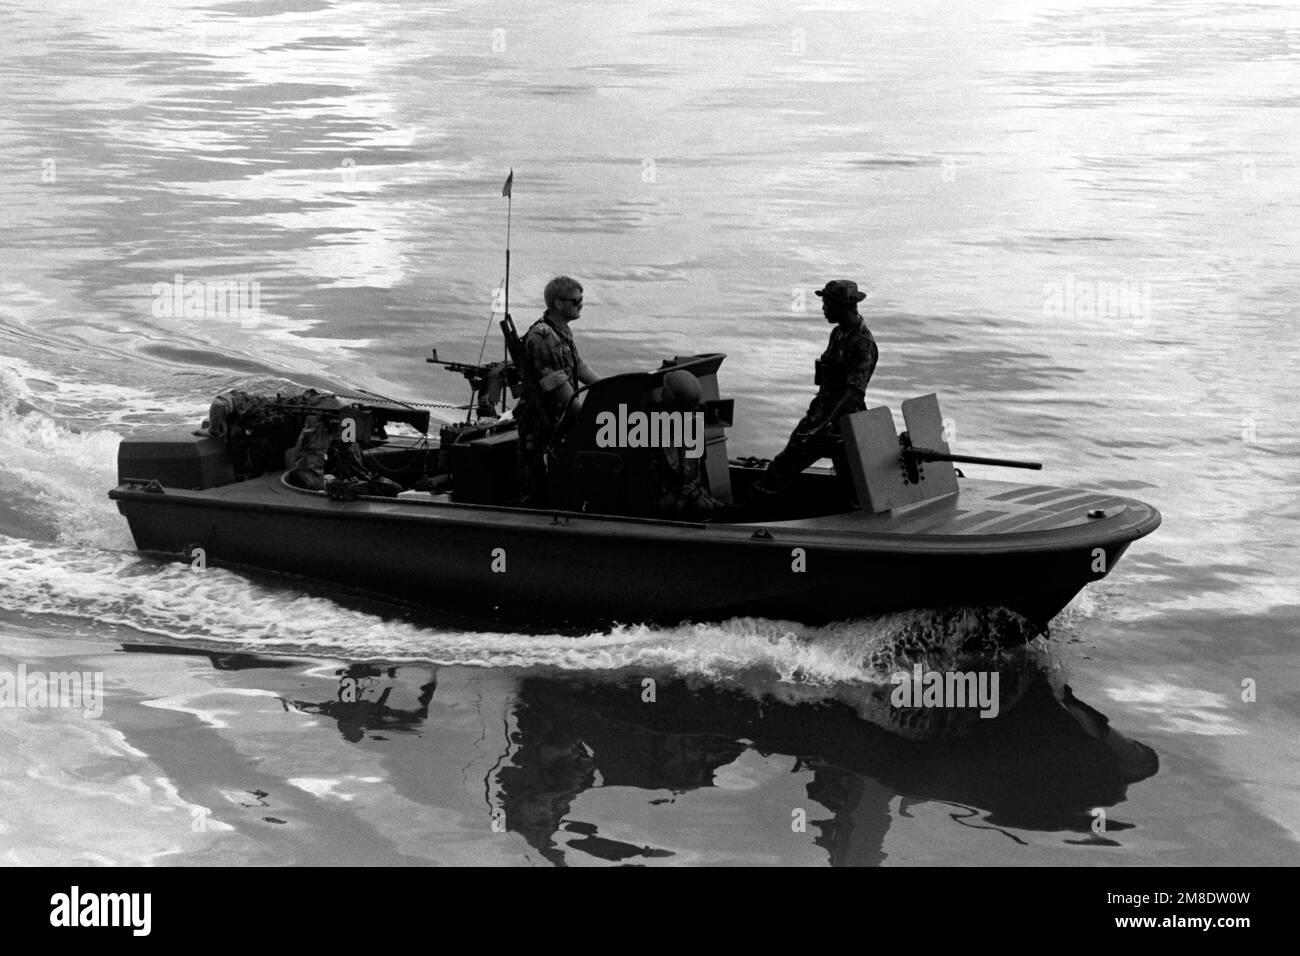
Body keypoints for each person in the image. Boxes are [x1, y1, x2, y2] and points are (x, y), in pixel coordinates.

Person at [751, 279, 878, 497]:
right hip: (820, 415)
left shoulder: (862, 342)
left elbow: (854, 393)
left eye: (827, 304)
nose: (823, 309)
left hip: (840, 424)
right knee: (785, 463)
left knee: (852, 481)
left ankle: (751, 507)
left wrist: (827, 424)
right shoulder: (838, 334)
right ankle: (754, 503)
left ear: (842, 306)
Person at [514, 275, 600, 506]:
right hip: (542, 421)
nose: (581, 305)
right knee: (536, 488)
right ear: (559, 304)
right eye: (576, 301)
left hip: (558, 417)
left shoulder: (561, 331)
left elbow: (578, 366)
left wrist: (607, 389)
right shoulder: (543, 337)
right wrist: (585, 416)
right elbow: (556, 385)